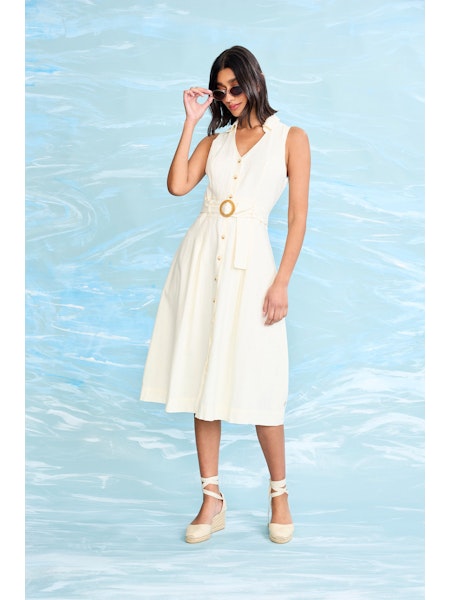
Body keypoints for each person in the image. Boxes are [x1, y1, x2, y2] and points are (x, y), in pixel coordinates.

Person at [140, 45, 310, 544]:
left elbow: (298, 217)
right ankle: (211, 498)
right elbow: (178, 186)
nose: (230, 97)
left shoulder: (290, 138)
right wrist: (191, 121)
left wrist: (281, 282)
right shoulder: (214, 141)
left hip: (252, 269)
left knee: (261, 382)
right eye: (221, 91)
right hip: (200, 263)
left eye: (236, 88)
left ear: (255, 81)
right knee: (202, 376)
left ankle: (279, 495)